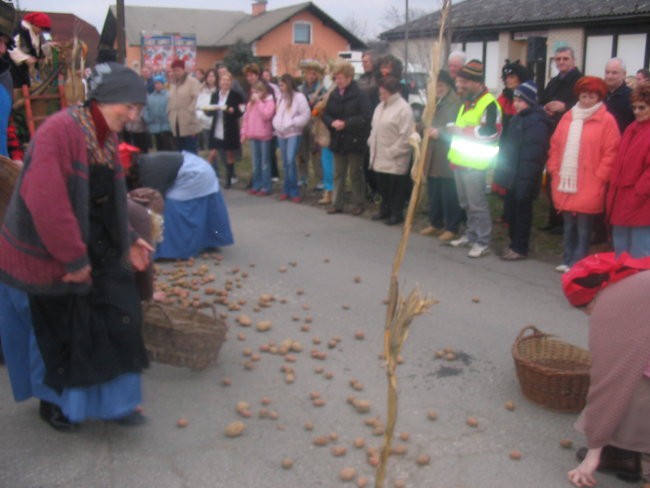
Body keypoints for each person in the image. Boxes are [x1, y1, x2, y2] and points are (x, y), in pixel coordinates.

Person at [0, 62, 153, 430]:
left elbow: (112, 196)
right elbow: (45, 200)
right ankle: (53, 402)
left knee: (117, 316)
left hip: (89, 242)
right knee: (57, 330)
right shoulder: (60, 131)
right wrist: (72, 257)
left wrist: (130, 239)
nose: (132, 116)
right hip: (44, 248)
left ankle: (116, 403)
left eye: (137, 109)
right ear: (103, 99)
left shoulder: (106, 135)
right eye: (127, 106)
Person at [566, 270, 650, 487]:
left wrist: (593, 452)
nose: (589, 316)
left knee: (632, 394)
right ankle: (624, 456)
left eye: (586, 309)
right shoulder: (633, 285)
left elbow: (608, 384)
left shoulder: (612, 307)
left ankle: (626, 454)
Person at [547, 76, 620, 272]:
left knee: (584, 226)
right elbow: (555, 145)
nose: (587, 99)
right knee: (569, 223)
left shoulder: (607, 121)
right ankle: (567, 259)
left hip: (590, 181)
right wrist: (554, 168)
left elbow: (611, 152)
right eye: (584, 95)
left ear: (598, 98)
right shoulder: (568, 117)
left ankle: (578, 262)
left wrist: (600, 177)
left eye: (591, 96)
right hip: (565, 179)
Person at [131, 151, 234, 259]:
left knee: (171, 204)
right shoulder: (146, 162)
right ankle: (207, 240)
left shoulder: (149, 171)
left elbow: (155, 201)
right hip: (199, 167)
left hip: (195, 174)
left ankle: (174, 250)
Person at [447, 60, 502, 258]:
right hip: (460, 162)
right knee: (466, 203)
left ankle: (483, 241)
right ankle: (471, 235)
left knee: (477, 204)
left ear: (476, 82)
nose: (460, 85)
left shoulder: (489, 104)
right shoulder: (468, 102)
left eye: (465, 82)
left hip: (475, 164)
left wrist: (461, 131)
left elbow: (491, 132)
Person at [493, 81, 553, 260]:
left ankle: (520, 247)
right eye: (515, 100)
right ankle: (513, 243)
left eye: (521, 100)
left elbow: (532, 157)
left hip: (523, 178)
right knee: (511, 212)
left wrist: (525, 183)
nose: (516, 104)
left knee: (522, 215)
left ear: (530, 101)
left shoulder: (537, 123)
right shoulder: (518, 118)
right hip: (513, 175)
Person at [539, 45, 583, 234]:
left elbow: (586, 104)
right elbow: (543, 99)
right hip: (552, 133)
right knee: (552, 177)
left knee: (566, 178)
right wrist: (546, 108)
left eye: (565, 59)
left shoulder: (580, 81)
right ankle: (553, 219)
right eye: (558, 59)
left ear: (573, 60)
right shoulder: (554, 81)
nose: (561, 62)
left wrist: (565, 106)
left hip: (571, 135)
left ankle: (565, 222)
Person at [322, 60, 372, 216]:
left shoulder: (360, 94)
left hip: (355, 139)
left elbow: (366, 117)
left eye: (341, 78)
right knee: (338, 173)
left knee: (355, 173)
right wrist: (332, 122)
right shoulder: (334, 94)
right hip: (338, 139)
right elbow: (326, 114)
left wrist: (347, 123)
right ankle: (337, 203)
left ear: (349, 78)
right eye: (336, 78)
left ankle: (359, 203)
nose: (338, 81)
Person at [606, 82, 650, 258]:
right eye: (634, 107)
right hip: (621, 198)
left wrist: (637, 194)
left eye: (642, 107)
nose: (637, 111)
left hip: (641, 201)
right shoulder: (632, 129)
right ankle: (622, 283)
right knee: (620, 250)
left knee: (640, 252)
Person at [420, 70, 463, 242]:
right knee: (434, 191)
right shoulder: (434, 102)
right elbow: (424, 122)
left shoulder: (456, 102)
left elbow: (457, 127)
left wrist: (441, 133)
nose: (438, 88)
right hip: (432, 152)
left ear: (447, 85)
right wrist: (420, 128)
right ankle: (435, 222)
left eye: (441, 85)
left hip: (446, 152)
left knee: (448, 192)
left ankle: (451, 226)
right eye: (435, 86)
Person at [367, 76, 414, 226]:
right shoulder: (380, 106)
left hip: (395, 156)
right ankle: (384, 209)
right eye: (380, 93)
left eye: (384, 93)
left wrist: (392, 151)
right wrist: (371, 142)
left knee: (396, 187)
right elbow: (375, 127)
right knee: (383, 186)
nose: (381, 96)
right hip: (379, 154)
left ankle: (396, 212)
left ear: (393, 93)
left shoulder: (404, 109)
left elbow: (406, 136)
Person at [273, 73, 311, 202]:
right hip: (280, 133)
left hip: (293, 132)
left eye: (282, 85)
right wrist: (276, 123)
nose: (280, 88)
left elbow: (306, 115)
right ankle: (286, 189)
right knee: (284, 162)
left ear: (288, 84)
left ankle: (294, 190)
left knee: (290, 160)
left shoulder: (299, 97)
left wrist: (293, 122)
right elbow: (278, 113)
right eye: (279, 85)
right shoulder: (280, 98)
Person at [208, 71, 243, 188]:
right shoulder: (215, 95)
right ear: (219, 82)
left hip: (229, 127)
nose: (225, 82)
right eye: (223, 80)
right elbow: (211, 109)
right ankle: (207, 176)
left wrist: (232, 111)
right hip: (217, 126)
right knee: (213, 152)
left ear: (230, 82)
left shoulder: (235, 95)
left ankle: (229, 179)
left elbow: (240, 111)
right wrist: (208, 110)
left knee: (229, 153)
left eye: (227, 80)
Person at [241, 80, 275, 196]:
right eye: (253, 92)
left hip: (264, 135)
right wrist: (243, 133)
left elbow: (266, 115)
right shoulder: (250, 104)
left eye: (257, 92)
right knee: (256, 163)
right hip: (253, 135)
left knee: (265, 162)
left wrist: (259, 102)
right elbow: (245, 119)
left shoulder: (269, 102)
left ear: (263, 92)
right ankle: (257, 185)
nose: (254, 95)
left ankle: (266, 186)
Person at [297, 61, 327, 192]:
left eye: (314, 74)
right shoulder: (299, 89)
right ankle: (303, 177)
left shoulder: (321, 89)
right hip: (302, 124)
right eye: (309, 73)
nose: (311, 76)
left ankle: (320, 179)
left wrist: (318, 104)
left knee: (316, 152)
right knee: (301, 152)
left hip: (315, 123)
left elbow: (325, 105)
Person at [8, 12, 55, 87]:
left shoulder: (35, 34)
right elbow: (11, 48)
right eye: (41, 28)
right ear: (35, 25)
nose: (41, 31)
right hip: (14, 71)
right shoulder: (21, 31)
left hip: (25, 72)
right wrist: (25, 58)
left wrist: (48, 47)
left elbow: (36, 52)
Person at [167, 59, 202, 154]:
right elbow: (170, 101)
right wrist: (169, 113)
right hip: (176, 123)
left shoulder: (192, 82)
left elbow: (197, 99)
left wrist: (190, 112)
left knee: (191, 152)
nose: (176, 72)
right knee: (179, 152)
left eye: (178, 70)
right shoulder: (173, 84)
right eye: (174, 70)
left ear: (183, 69)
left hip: (189, 124)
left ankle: (193, 169)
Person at [0, 0, 15, 157]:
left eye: (5, 43)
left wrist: (16, 157)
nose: (3, 49)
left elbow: (7, 125)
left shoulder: (5, 77)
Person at [143, 75, 175, 151]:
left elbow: (172, 108)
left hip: (167, 125)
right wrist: (148, 118)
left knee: (168, 146)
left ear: (163, 84)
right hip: (155, 126)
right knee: (159, 146)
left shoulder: (169, 95)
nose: (157, 85)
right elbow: (146, 109)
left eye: (159, 83)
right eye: (156, 83)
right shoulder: (150, 97)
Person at [603, 58, 634, 133]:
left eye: (614, 73)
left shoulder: (632, 96)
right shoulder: (598, 94)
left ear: (624, 74)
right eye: (607, 72)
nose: (609, 76)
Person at [196, 68, 218, 152]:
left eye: (213, 76)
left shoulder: (218, 90)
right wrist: (201, 115)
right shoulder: (202, 90)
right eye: (209, 76)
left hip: (216, 121)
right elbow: (198, 105)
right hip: (204, 120)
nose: (210, 78)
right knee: (209, 145)